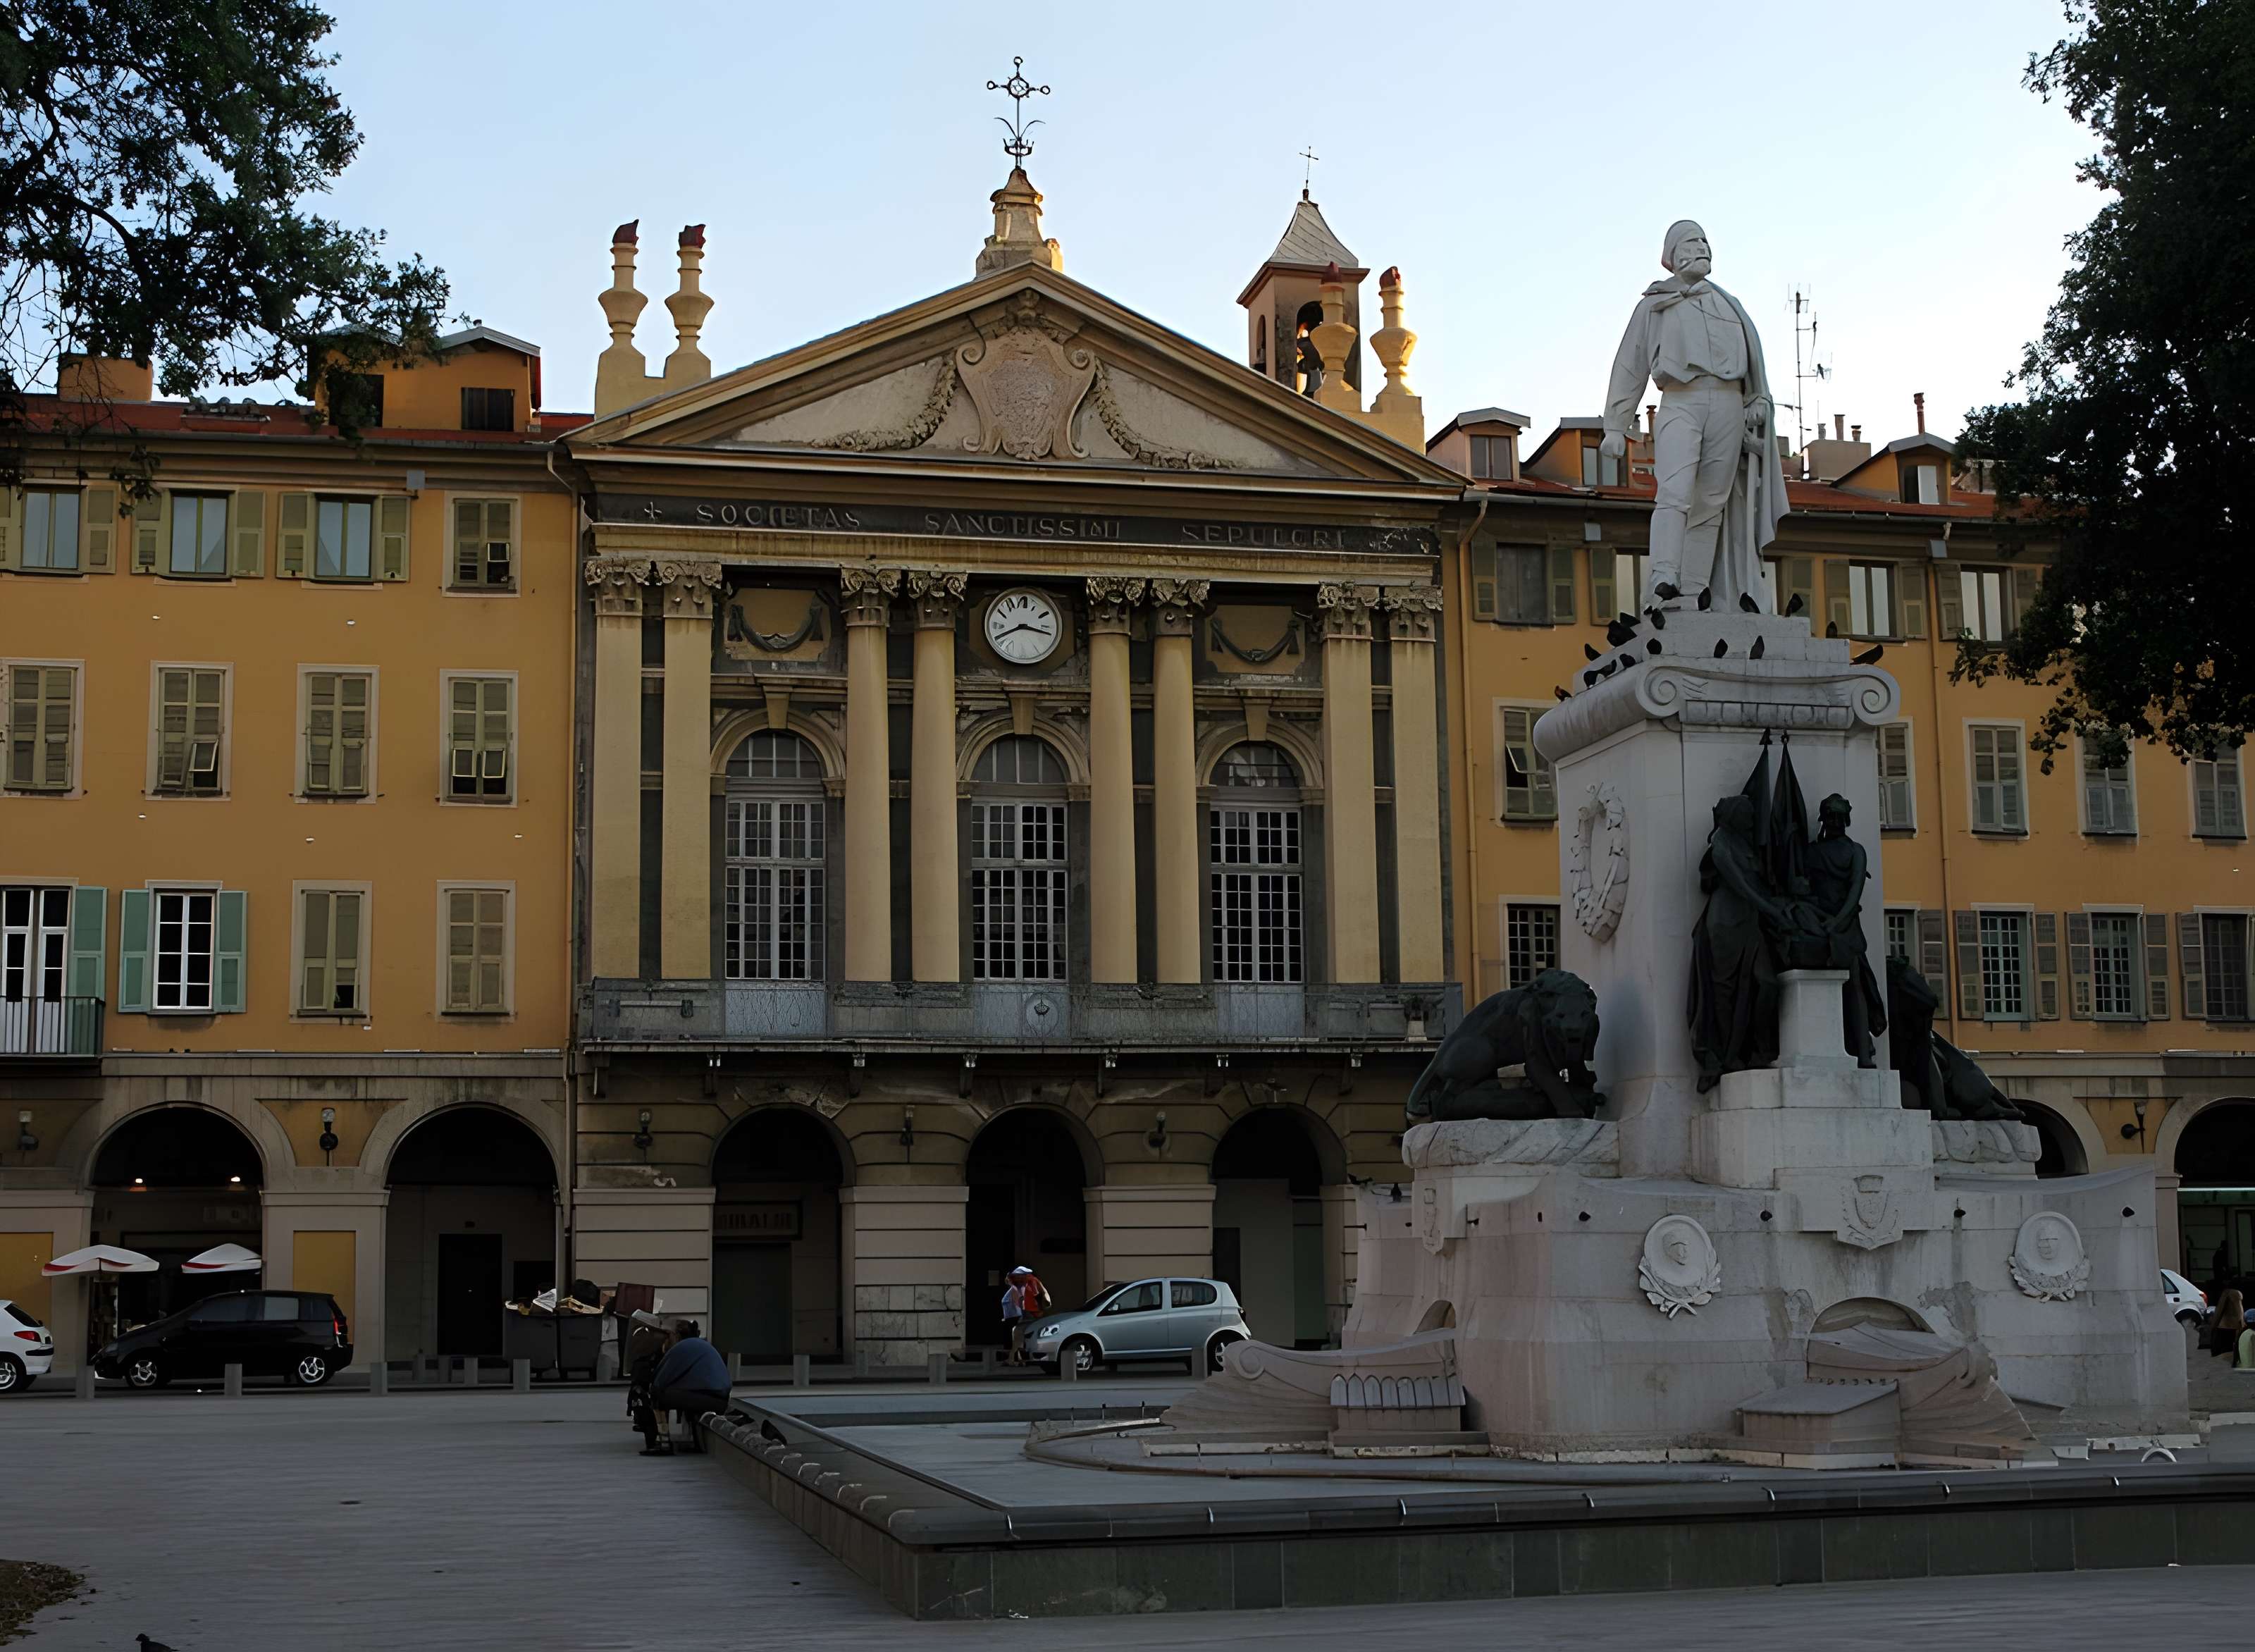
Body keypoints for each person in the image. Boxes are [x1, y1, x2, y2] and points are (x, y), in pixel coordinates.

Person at [1601, 220, 1788, 613]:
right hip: (1681, 399)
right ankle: (1663, 577)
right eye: (1692, 240)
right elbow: (1631, 364)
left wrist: (1758, 396)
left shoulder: (1729, 304)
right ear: (1672, 254)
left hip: (1729, 403)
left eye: (1705, 240)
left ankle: (1694, 589)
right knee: (1674, 490)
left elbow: (1754, 358)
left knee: (1712, 499)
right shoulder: (1654, 305)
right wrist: (1616, 426)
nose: (1703, 246)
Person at [636, 1317, 730, 1455]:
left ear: (675, 1336)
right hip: (720, 1398)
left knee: (658, 1395)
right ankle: (695, 1442)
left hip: (709, 1398)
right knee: (680, 1396)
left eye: (667, 1336)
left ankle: (663, 1443)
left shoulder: (681, 1348)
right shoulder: (701, 1345)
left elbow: (659, 1382)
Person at [2208, 1289, 2247, 1365]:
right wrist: (2242, 1323)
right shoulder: (2235, 1296)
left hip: (2223, 1326)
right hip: (2232, 1327)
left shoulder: (2226, 1295)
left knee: (2224, 1350)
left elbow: (2219, 1313)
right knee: (2230, 1349)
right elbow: (2239, 1310)